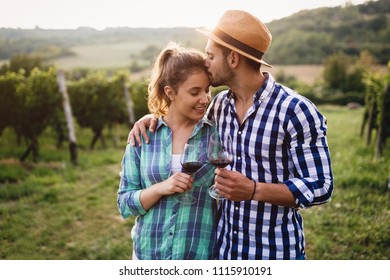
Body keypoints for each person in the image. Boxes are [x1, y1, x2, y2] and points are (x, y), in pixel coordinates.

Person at [128, 10, 334, 260]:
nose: (206, 62)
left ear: (233, 59)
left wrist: (254, 190)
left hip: (274, 253)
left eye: (211, 56)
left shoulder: (296, 111)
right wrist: (154, 118)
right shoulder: (219, 107)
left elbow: (321, 186)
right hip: (223, 251)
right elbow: (182, 120)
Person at [117, 42, 217, 260]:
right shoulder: (144, 135)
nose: (205, 99)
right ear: (170, 92)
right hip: (149, 255)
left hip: (198, 255)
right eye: (195, 92)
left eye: (207, 90)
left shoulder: (215, 133)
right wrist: (161, 188)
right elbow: (124, 204)